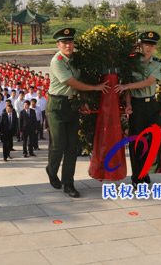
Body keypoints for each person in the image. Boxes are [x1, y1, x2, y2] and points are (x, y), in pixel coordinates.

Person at [47, 28, 109, 198]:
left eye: (70, 42)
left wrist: (84, 100)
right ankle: (51, 171)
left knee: (72, 147)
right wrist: (95, 88)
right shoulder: (57, 61)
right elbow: (73, 82)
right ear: (58, 44)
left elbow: (79, 84)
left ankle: (68, 183)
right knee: (58, 145)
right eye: (64, 42)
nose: (68, 45)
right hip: (57, 105)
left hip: (73, 104)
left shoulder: (77, 59)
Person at [115, 31, 161, 186]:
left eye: (152, 45)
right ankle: (137, 176)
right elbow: (129, 88)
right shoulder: (132, 62)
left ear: (155, 47)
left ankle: (145, 170)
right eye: (146, 44)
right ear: (140, 45)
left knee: (154, 140)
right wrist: (128, 103)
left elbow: (149, 82)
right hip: (137, 104)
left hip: (152, 105)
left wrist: (127, 86)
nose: (149, 47)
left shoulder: (159, 63)